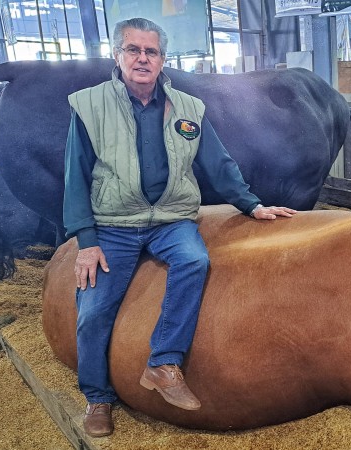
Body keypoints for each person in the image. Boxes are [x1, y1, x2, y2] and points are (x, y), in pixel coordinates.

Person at [63, 17, 296, 438]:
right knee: (92, 309)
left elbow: (218, 163)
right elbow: (74, 176)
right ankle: (98, 398)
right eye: (133, 50)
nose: (142, 59)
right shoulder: (89, 105)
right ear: (117, 56)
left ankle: (163, 363)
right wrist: (86, 240)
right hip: (115, 223)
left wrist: (252, 204)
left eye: (151, 52)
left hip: (171, 218)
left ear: (162, 59)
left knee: (194, 259)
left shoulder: (188, 108)